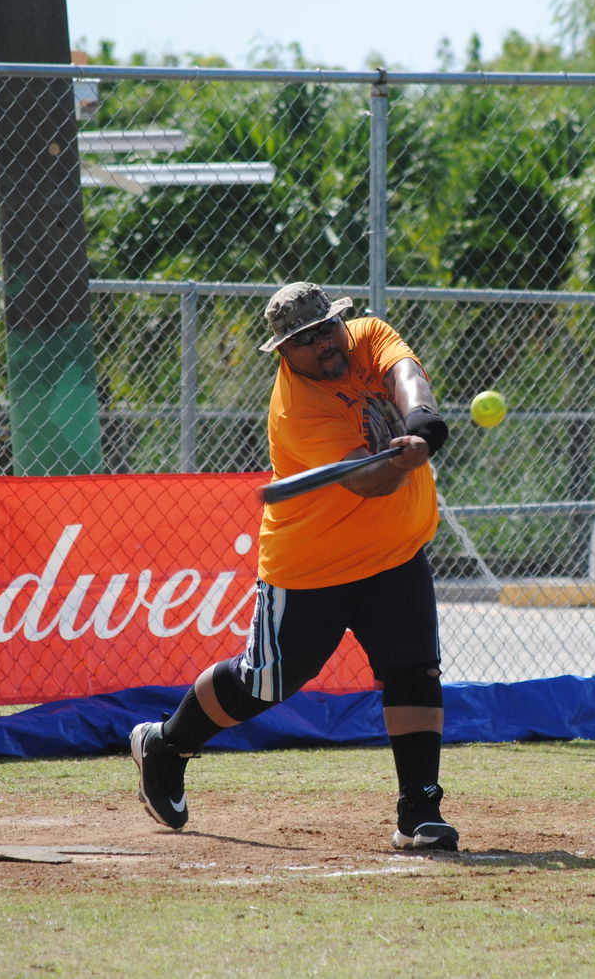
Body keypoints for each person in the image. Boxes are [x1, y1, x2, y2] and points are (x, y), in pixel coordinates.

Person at [129, 281, 458, 850]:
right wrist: (407, 459)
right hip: (314, 564)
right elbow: (370, 481)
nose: (323, 345)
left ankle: (419, 810)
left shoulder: (367, 336)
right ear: (284, 352)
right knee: (266, 681)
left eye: (325, 329)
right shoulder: (296, 413)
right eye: (304, 341)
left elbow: (406, 375)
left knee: (414, 670)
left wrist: (422, 420)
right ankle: (165, 744)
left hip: (396, 552)